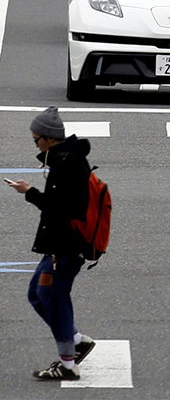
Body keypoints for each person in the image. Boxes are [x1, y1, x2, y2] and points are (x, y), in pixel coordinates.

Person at [6, 107, 97, 381]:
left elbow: (59, 208)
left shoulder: (66, 163)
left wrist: (29, 192)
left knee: (51, 298)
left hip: (66, 247)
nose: (35, 144)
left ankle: (67, 364)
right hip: (62, 245)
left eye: (36, 140)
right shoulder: (67, 158)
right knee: (38, 293)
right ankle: (76, 341)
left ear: (49, 138)